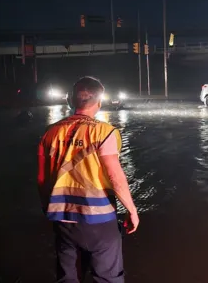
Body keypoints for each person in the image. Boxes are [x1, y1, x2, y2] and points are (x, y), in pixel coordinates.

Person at [37, 76, 139, 283]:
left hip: (62, 218)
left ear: (70, 100)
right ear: (99, 102)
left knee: (68, 276)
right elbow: (114, 176)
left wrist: (49, 209)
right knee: (107, 276)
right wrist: (132, 210)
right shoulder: (104, 131)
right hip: (99, 219)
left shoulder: (49, 132)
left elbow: (41, 179)